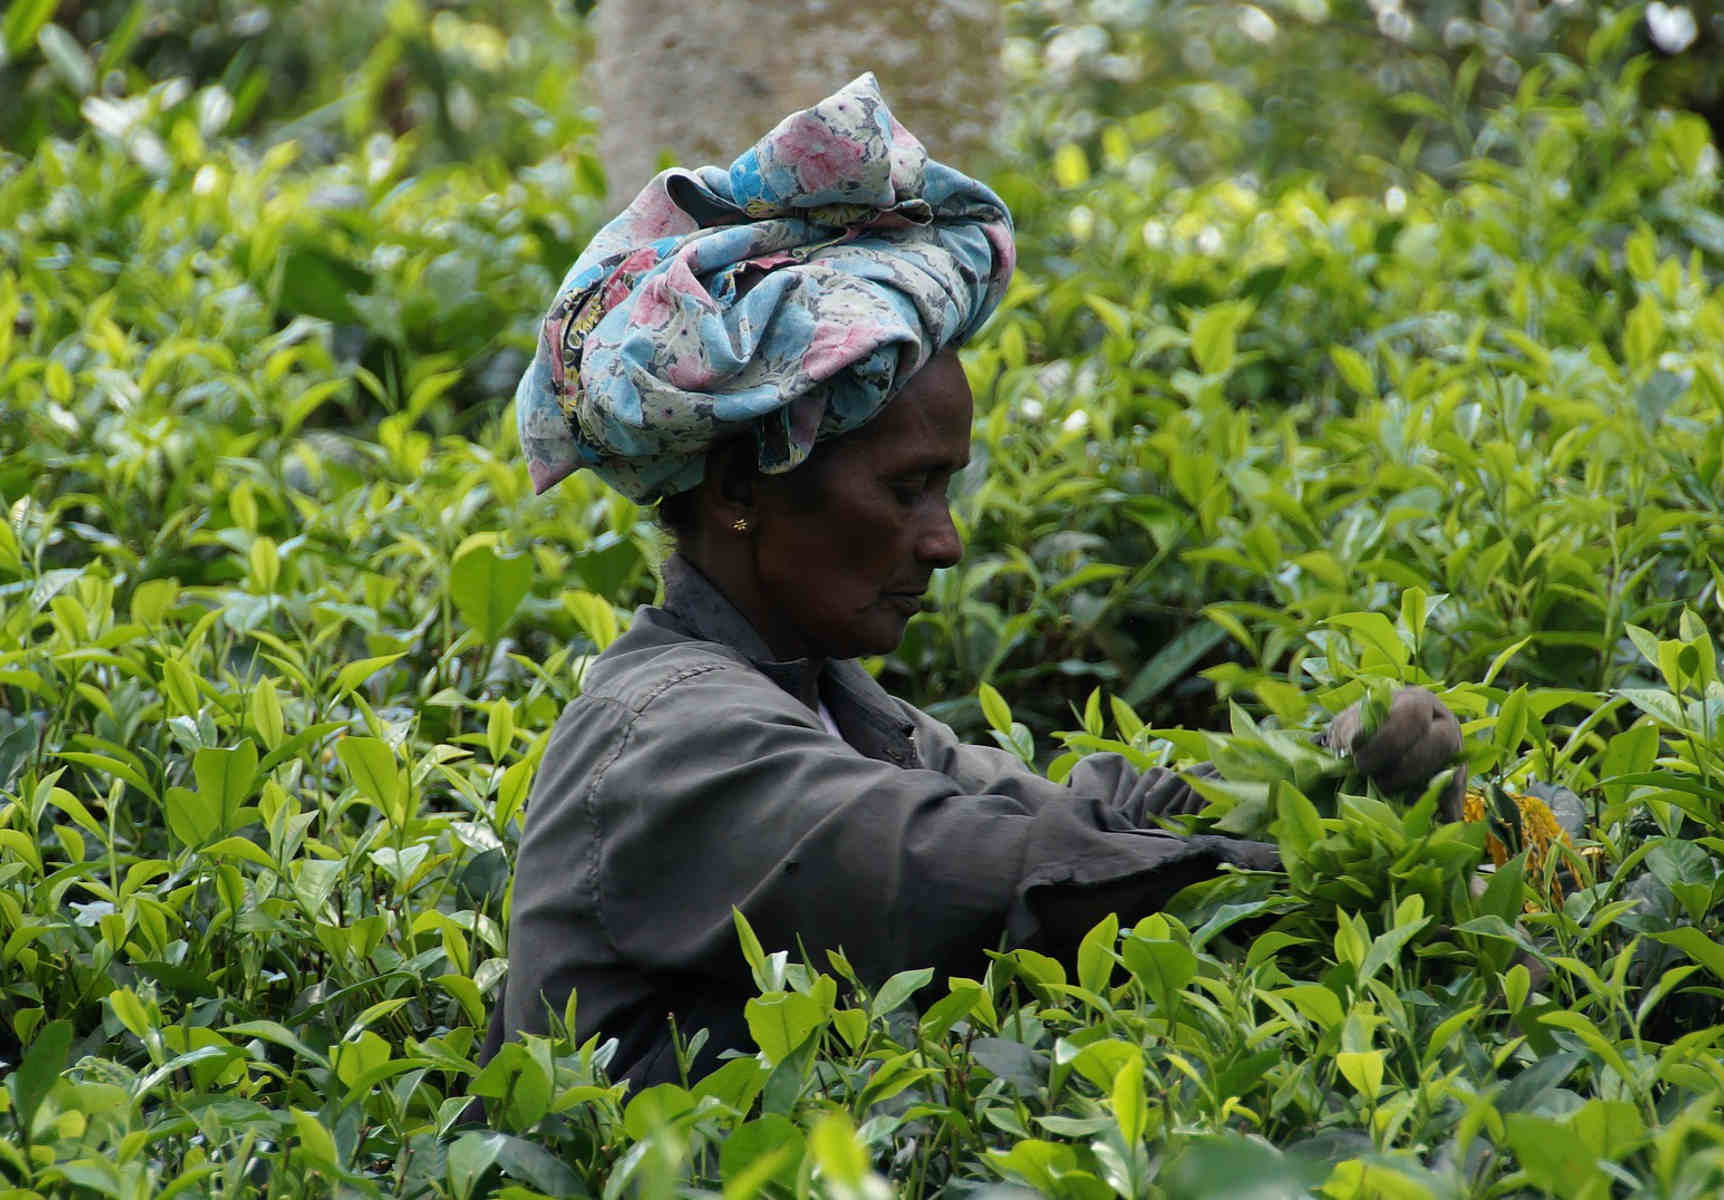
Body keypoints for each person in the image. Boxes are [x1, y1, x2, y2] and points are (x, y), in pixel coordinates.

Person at [486, 75, 1463, 1087]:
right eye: (908, 490)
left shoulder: (828, 706)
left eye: (943, 489)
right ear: (741, 488)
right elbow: (977, 871)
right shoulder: (670, 740)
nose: (944, 543)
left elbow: (1078, 807)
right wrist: (1309, 864)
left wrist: (1326, 768)